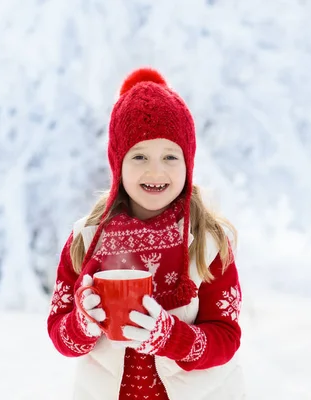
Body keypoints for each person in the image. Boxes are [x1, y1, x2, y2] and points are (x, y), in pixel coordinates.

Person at [46, 67, 245, 400]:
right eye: (139, 156)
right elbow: (59, 331)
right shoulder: (86, 240)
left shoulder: (207, 242)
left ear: (188, 162)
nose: (156, 170)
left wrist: (172, 337)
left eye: (170, 156)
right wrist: (83, 325)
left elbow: (226, 338)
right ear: (118, 164)